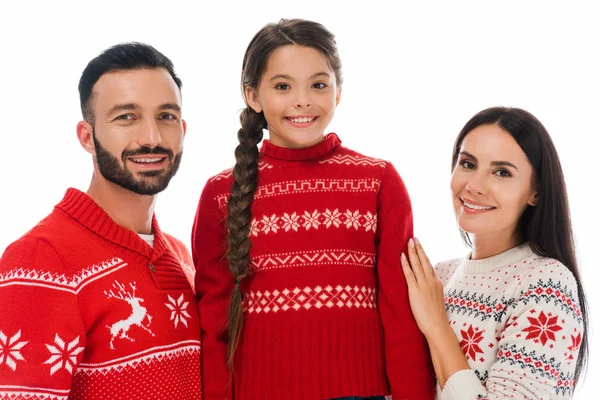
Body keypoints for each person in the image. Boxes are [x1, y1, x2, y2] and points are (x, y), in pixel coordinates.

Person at [192, 18, 434, 400]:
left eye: (318, 84)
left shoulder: (378, 181)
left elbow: (400, 313)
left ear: (338, 93)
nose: (302, 100)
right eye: (283, 86)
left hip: (362, 394)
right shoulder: (221, 193)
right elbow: (214, 322)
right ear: (253, 96)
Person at [0, 42, 201, 399]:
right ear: (86, 137)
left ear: (183, 128)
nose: (151, 138)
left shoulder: (183, 258)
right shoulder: (41, 260)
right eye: (126, 117)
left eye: (166, 116)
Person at [400, 107, 588, 399]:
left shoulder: (546, 284)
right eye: (468, 164)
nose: (474, 186)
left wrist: (436, 325)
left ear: (535, 191)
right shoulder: (437, 277)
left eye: (501, 172)